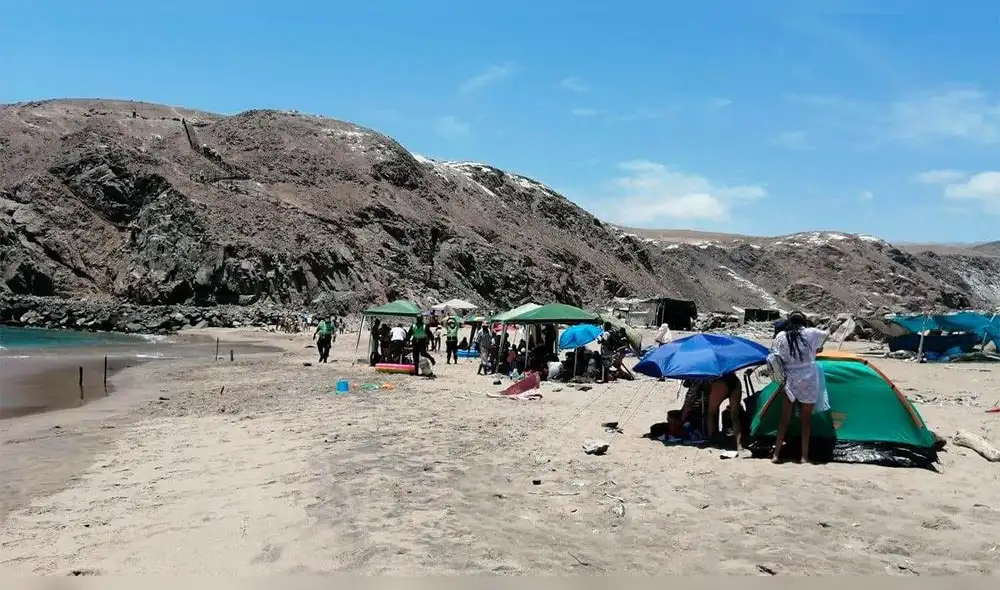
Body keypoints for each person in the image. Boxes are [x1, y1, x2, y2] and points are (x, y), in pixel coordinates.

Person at [771, 311, 830, 464]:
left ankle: (776, 454)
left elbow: (775, 356)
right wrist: (816, 349)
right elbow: (826, 334)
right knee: (806, 421)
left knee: (784, 419)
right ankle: (804, 456)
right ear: (804, 322)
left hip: (789, 379)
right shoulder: (810, 333)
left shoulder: (781, 336)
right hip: (808, 378)